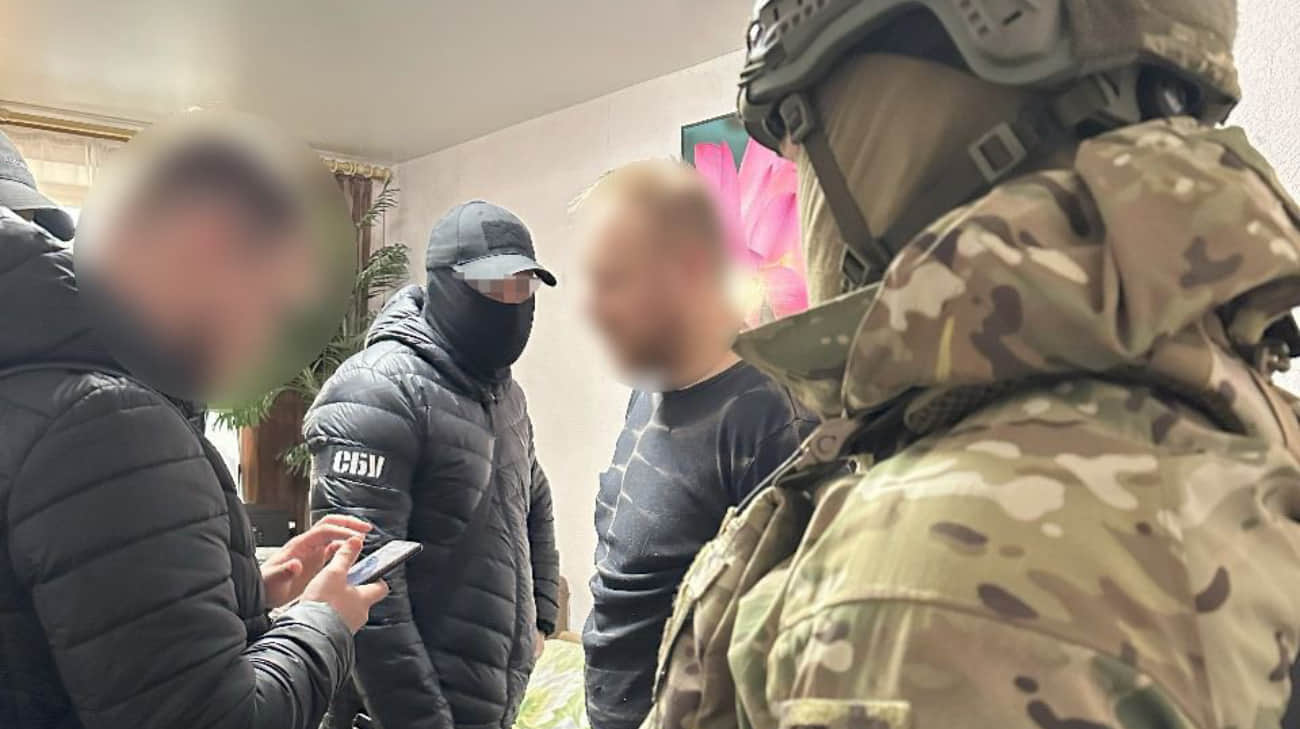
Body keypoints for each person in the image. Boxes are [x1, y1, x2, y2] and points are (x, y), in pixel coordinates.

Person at [644, 1, 1300, 728]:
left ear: (912, 122)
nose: (801, 183)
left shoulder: (931, 584)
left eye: (802, 130)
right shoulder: (1241, 424)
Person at [0, 130, 388, 729]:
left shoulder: (33, 394)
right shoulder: (106, 424)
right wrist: (325, 621)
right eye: (274, 301)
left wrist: (235, 592)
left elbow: (57, 629)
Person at [574, 160, 816, 729]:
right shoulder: (646, 392)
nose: (592, 307)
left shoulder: (771, 417)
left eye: (614, 281)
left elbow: (787, 645)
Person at [306, 200, 561, 729]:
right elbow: (366, 586)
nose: (511, 303)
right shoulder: (374, 390)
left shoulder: (505, 395)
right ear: (446, 284)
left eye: (523, 287)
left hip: (486, 702)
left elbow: (533, 497)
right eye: (493, 286)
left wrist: (540, 615)